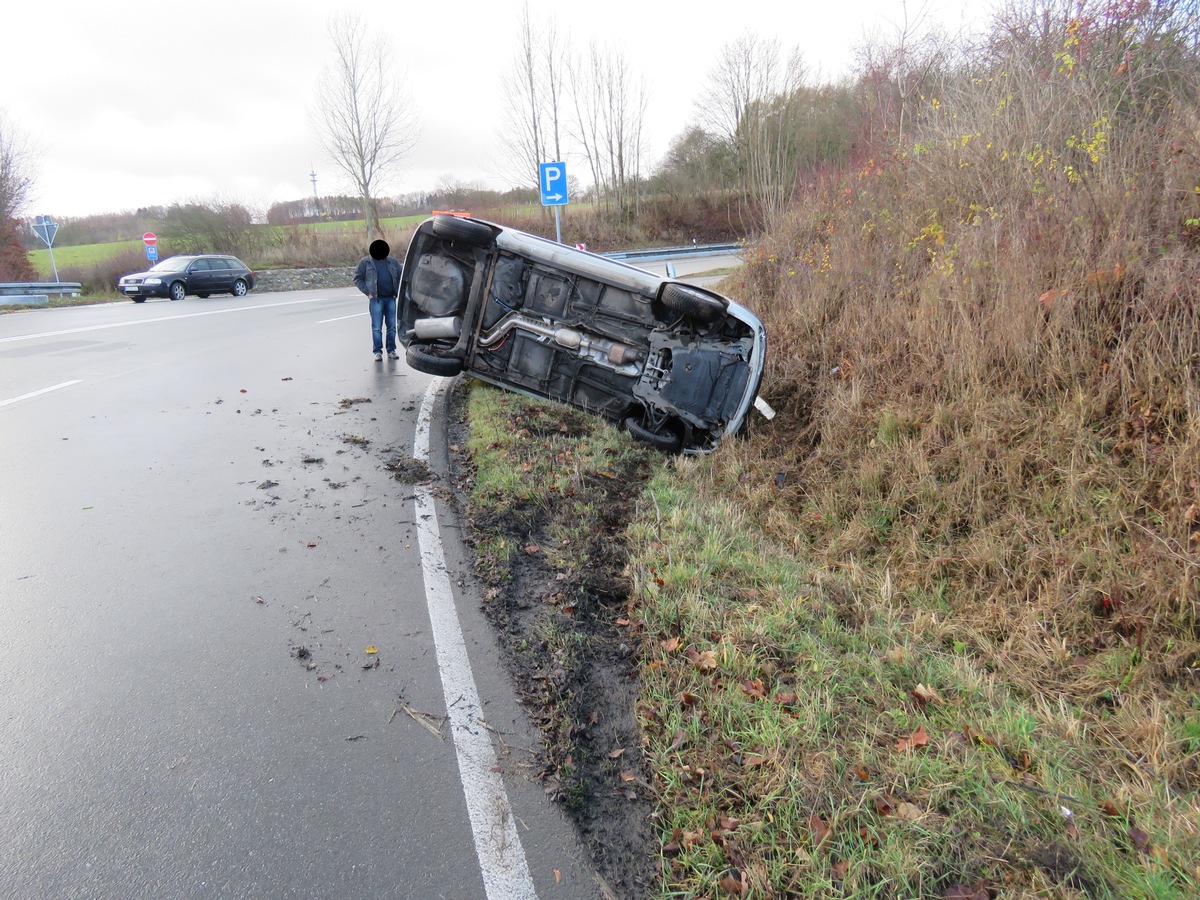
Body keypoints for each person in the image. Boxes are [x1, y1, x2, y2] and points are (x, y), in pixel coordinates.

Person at [353, 239, 403, 361]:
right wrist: (368, 292)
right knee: (377, 327)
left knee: (392, 327)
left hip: (391, 298)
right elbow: (357, 278)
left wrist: (398, 292)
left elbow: (402, 276)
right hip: (376, 300)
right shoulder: (365, 263)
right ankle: (377, 352)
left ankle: (391, 350)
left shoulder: (392, 262)